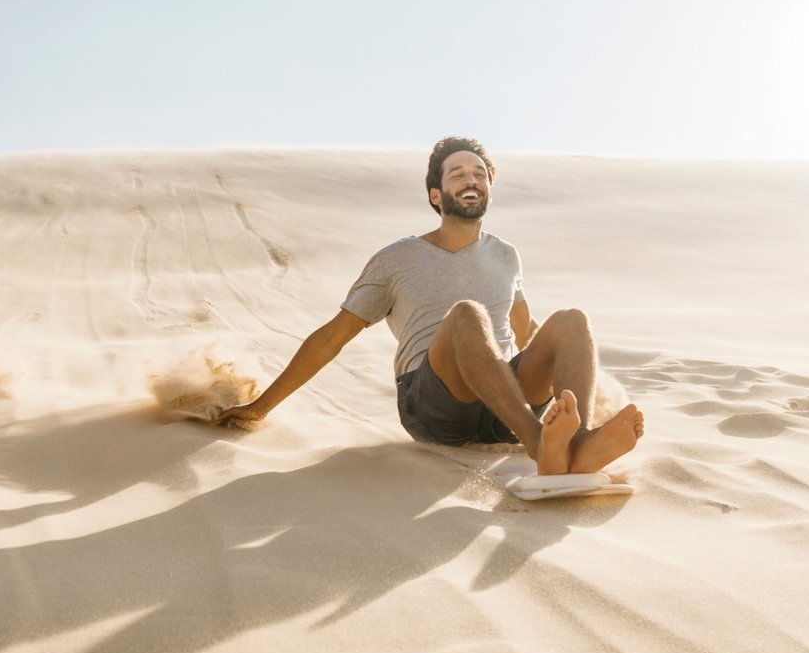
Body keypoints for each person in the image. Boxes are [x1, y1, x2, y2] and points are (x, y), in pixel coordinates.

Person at [217, 137, 644, 475]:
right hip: (437, 406)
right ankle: (542, 448)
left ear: (490, 189)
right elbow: (333, 336)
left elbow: (525, 332)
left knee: (572, 321)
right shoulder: (396, 259)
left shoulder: (506, 256)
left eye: (479, 173)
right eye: (457, 173)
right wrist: (259, 408)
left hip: (505, 405)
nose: (470, 179)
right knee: (466, 315)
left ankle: (579, 446)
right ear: (437, 195)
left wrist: (577, 386)